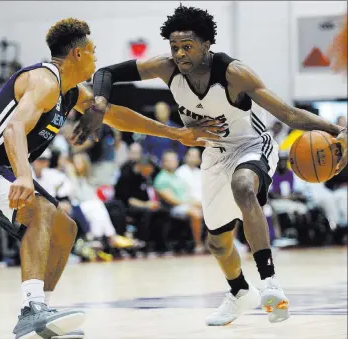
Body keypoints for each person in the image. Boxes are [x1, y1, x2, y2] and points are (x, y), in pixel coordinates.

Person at [0, 17, 217, 339]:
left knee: (65, 228)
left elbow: (116, 115)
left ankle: (40, 314)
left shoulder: (71, 91)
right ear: (77, 54)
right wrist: (23, 176)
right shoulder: (44, 81)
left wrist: (176, 133)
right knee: (41, 212)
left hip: (1, 166)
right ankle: (33, 308)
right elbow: (13, 128)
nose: (96, 57)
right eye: (93, 50)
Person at [76, 4, 348, 326]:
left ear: (207, 45)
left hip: (251, 145)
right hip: (213, 153)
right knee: (217, 243)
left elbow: (287, 114)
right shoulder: (165, 68)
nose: (179, 53)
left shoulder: (233, 73)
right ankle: (239, 292)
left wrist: (336, 130)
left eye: (187, 46)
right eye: (174, 47)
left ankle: (269, 282)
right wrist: (100, 103)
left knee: (243, 187)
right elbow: (104, 74)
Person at [154, 150, 204, 252]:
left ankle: (212, 242)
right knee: (196, 213)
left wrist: (196, 202)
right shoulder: (161, 178)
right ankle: (198, 244)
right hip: (172, 209)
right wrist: (192, 203)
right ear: (163, 162)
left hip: (185, 204)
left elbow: (186, 195)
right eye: (169, 161)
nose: (173, 162)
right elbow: (173, 201)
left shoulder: (176, 176)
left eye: (174, 160)